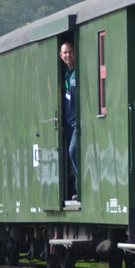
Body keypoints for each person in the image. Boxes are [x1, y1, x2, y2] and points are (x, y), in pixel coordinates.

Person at [60, 40, 78, 198]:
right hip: (68, 124)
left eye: (70, 52)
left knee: (73, 151)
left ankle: (80, 188)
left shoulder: (76, 73)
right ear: (60, 55)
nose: (68, 55)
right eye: (65, 52)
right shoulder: (65, 74)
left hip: (76, 123)